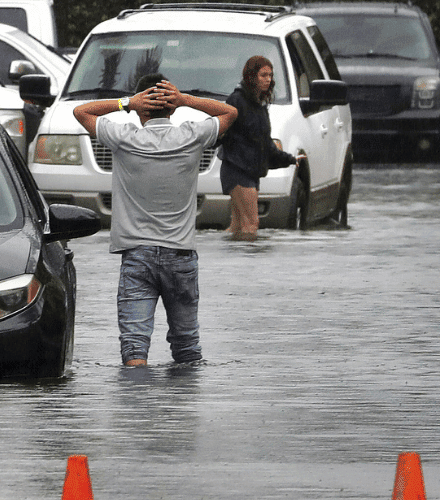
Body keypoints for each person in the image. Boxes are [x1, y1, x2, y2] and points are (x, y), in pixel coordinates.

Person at [73, 73, 237, 367]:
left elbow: (80, 111)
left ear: (140, 108)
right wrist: (185, 99)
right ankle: (184, 410)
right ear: (172, 108)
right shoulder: (191, 135)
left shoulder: (124, 138)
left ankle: (136, 408)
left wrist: (126, 103)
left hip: (137, 258)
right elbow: (230, 112)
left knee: (134, 347)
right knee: (187, 347)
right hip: (181, 256)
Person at [218, 55, 299, 241]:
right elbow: (220, 130)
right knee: (251, 224)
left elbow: (264, 143)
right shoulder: (237, 101)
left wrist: (289, 159)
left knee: (238, 226)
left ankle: (229, 261)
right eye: (263, 75)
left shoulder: (259, 105)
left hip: (250, 171)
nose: (268, 79)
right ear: (251, 77)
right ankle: (248, 266)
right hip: (237, 170)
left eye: (270, 75)